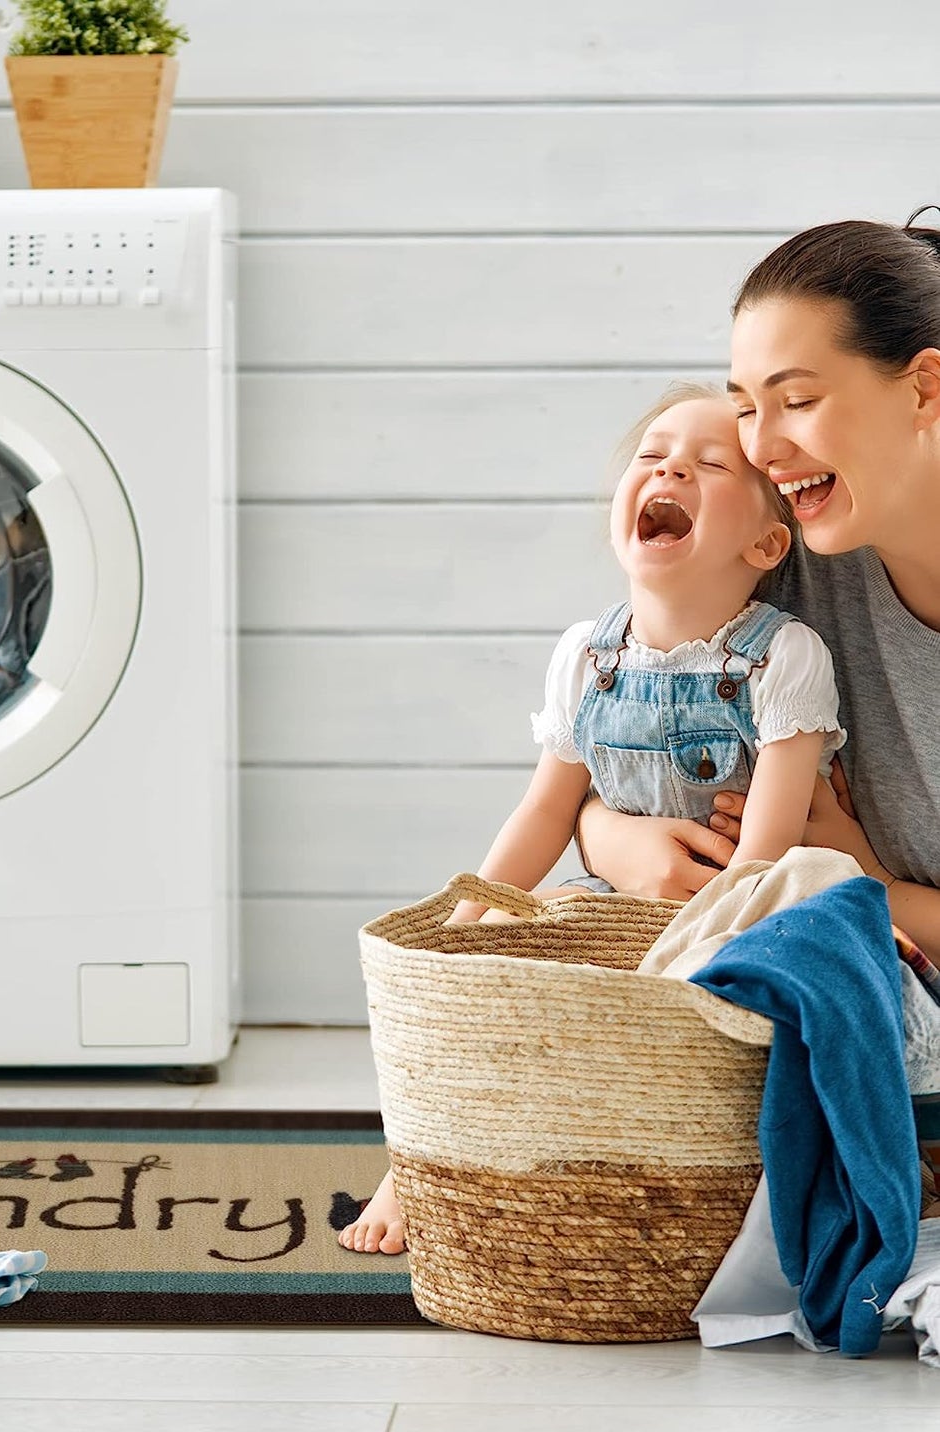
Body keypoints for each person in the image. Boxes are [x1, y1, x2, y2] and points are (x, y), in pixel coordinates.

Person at [340, 385, 846, 1255]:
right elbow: (545, 808)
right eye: (652, 456)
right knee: (497, 961)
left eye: (709, 462)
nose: (670, 466)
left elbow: (764, 858)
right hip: (610, 896)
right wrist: (465, 922)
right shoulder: (587, 654)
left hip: (729, 914)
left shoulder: (782, 658)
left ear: (765, 542)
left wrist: (694, 940)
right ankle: (422, 1159)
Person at [577, 216, 940, 965]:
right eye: (745, 406)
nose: (761, 449)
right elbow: (608, 741)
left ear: (924, 388)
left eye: (797, 400)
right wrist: (613, 840)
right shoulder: (784, 559)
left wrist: (861, 887)